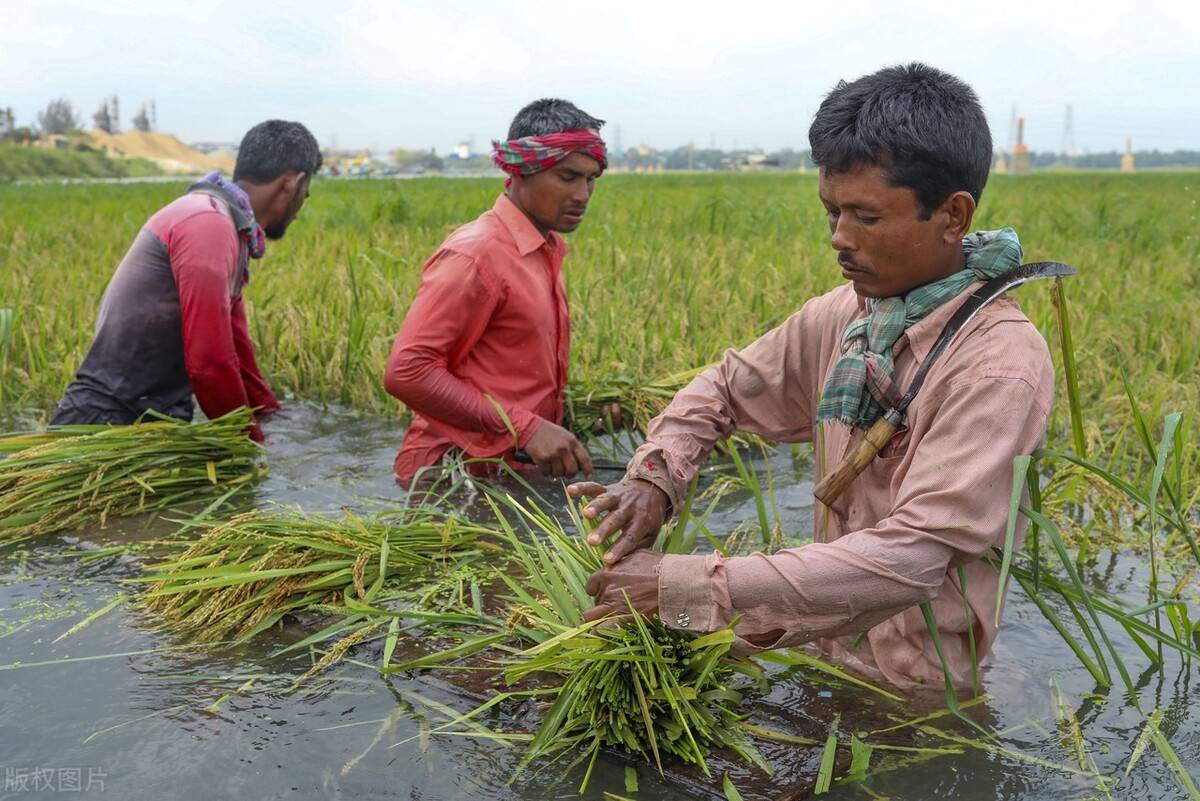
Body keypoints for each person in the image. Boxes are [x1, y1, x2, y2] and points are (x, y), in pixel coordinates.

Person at [569, 64, 1054, 690]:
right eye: (831, 213)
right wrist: (654, 479)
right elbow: (721, 387)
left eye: (866, 217)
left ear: (954, 215)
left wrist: (684, 584)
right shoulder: (851, 316)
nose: (839, 239)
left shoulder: (998, 365)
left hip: (913, 695)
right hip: (817, 649)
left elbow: (912, 558)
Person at [51, 120, 320, 441]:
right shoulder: (208, 224)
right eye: (306, 193)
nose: (301, 204)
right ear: (291, 183)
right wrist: (253, 447)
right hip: (107, 421)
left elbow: (237, 352)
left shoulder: (230, 230)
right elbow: (209, 364)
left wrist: (274, 418)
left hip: (153, 421)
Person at [384, 98, 608, 483]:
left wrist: (584, 410)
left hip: (512, 473)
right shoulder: (477, 254)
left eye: (590, 179)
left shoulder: (545, 248)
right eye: (567, 177)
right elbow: (408, 371)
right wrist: (526, 427)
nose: (583, 195)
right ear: (521, 171)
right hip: (452, 479)